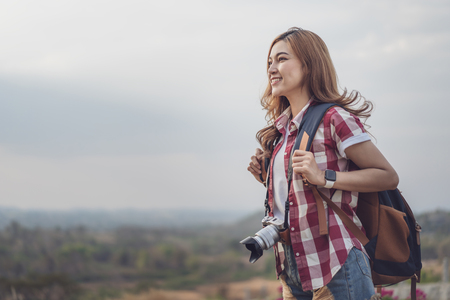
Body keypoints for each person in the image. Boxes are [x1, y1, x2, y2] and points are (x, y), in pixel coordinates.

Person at [247, 27, 398, 300]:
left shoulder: (334, 118)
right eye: (269, 62)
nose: (272, 68)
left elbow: (386, 175)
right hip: (292, 270)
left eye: (281, 59)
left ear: (308, 64)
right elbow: (297, 195)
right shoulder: (282, 132)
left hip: (336, 264)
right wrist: (266, 176)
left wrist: (324, 176)